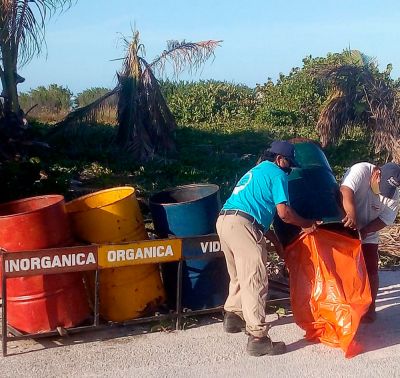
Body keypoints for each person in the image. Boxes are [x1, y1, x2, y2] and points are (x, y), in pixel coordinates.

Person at [216, 140, 319, 357]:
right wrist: (307, 224)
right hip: (244, 224)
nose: (289, 169)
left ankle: (233, 316)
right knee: (255, 278)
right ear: (279, 159)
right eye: (288, 163)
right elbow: (284, 213)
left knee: (238, 273)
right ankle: (258, 338)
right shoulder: (277, 174)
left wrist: (274, 242)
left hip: (225, 221)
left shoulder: (256, 171)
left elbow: (259, 219)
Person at [340, 161, 400, 322]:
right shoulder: (360, 170)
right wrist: (351, 216)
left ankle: (370, 308)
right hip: (345, 224)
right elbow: (345, 190)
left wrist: (365, 231)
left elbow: (385, 219)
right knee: (343, 270)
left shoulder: (393, 195)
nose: (382, 192)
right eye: (381, 186)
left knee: (371, 270)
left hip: (368, 232)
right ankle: (343, 307)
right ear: (376, 172)